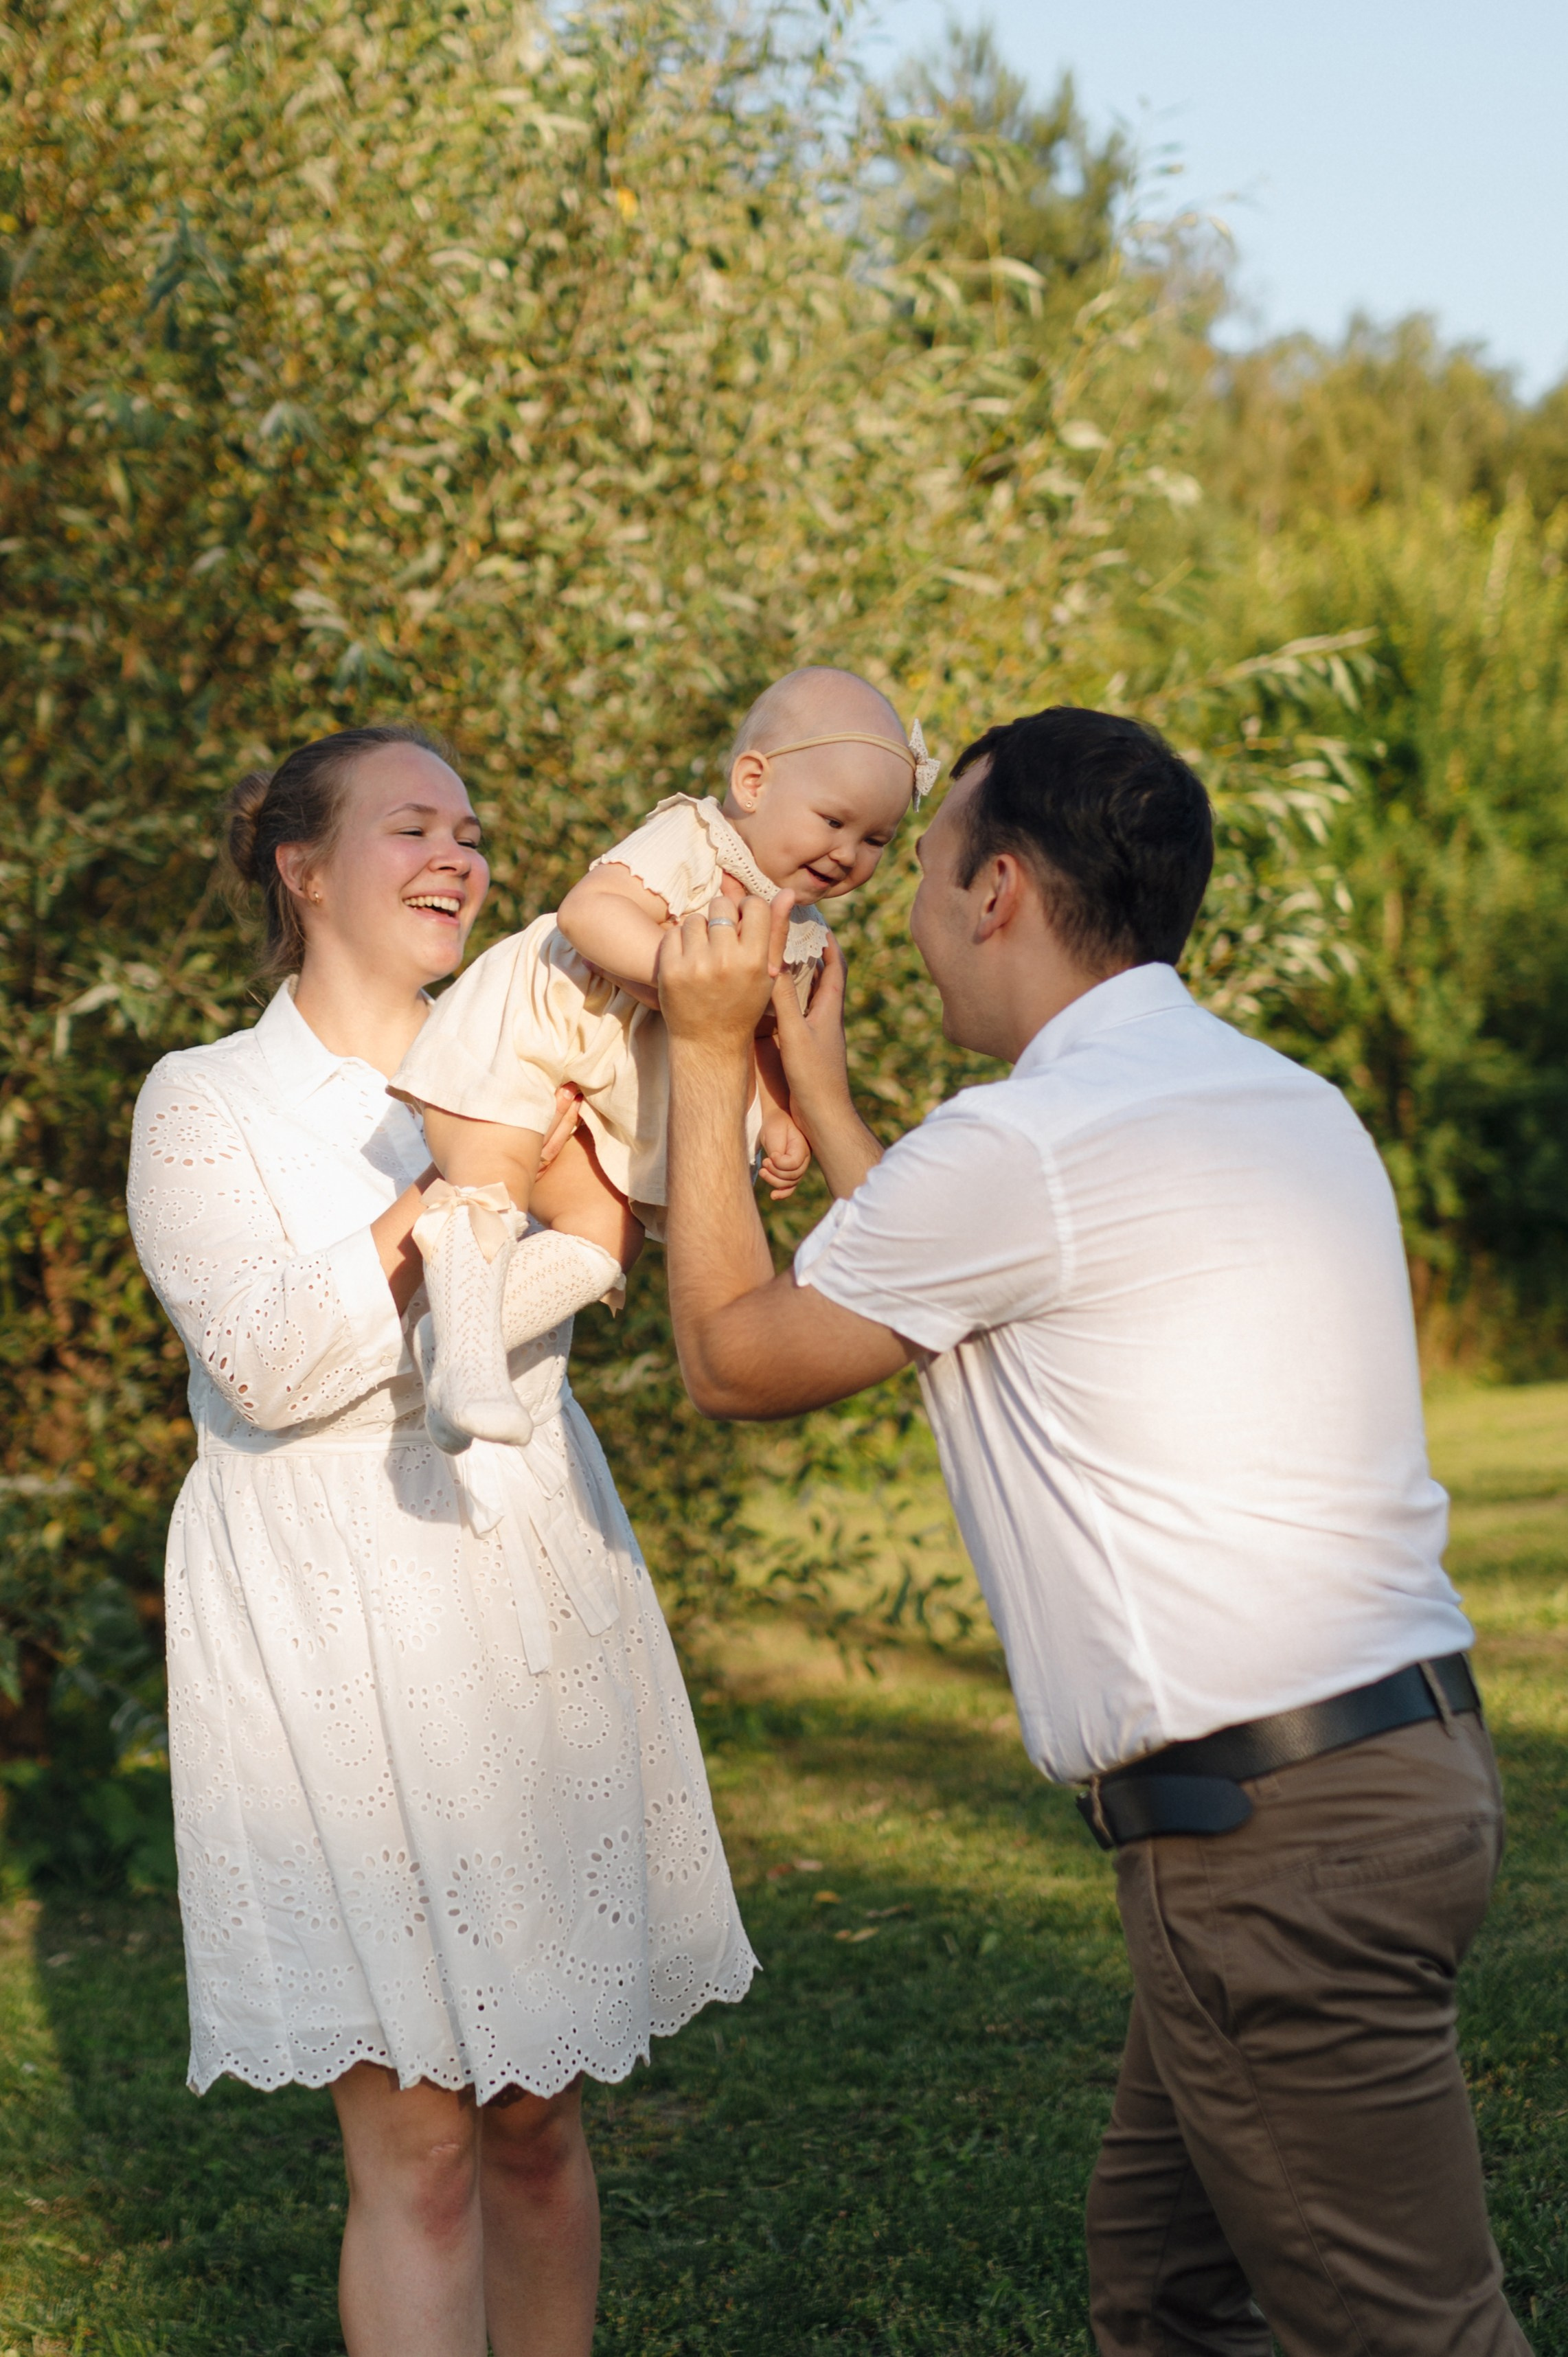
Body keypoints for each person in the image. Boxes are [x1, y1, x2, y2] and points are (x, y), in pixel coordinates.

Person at [652, 705, 1529, 2357]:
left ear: (997, 890)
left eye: (920, 873)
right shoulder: (1276, 1098)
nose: (903, 921)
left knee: (1414, 2333)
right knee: (1165, 2282)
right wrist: (827, 1104)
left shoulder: (1028, 1143)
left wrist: (707, 1062)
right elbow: (971, 1281)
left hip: (1268, 1843)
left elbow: (733, 1357)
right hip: (1385, 1778)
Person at [126, 722, 756, 2357]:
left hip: (516, 1571)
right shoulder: (207, 1101)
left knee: (539, 2118)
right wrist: (453, 1197)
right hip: (322, 1616)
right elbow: (267, 1365)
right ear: (302, 864)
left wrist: (561, 1200)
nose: (461, 857)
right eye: (414, 827)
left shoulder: (537, 1048)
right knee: (414, 2142)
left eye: (472, 831)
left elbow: (583, 1278)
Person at [389, 665, 934, 1453]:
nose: (848, 853)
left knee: (611, 1236)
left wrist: (784, 1120)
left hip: (627, 1087)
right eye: (834, 820)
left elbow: (774, 1038)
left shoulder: (804, 932)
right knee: (492, 1167)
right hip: (550, 1024)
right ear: (753, 781)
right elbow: (591, 910)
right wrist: (678, 982)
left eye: (876, 840)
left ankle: (462, 1338)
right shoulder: (695, 838)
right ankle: (469, 1363)